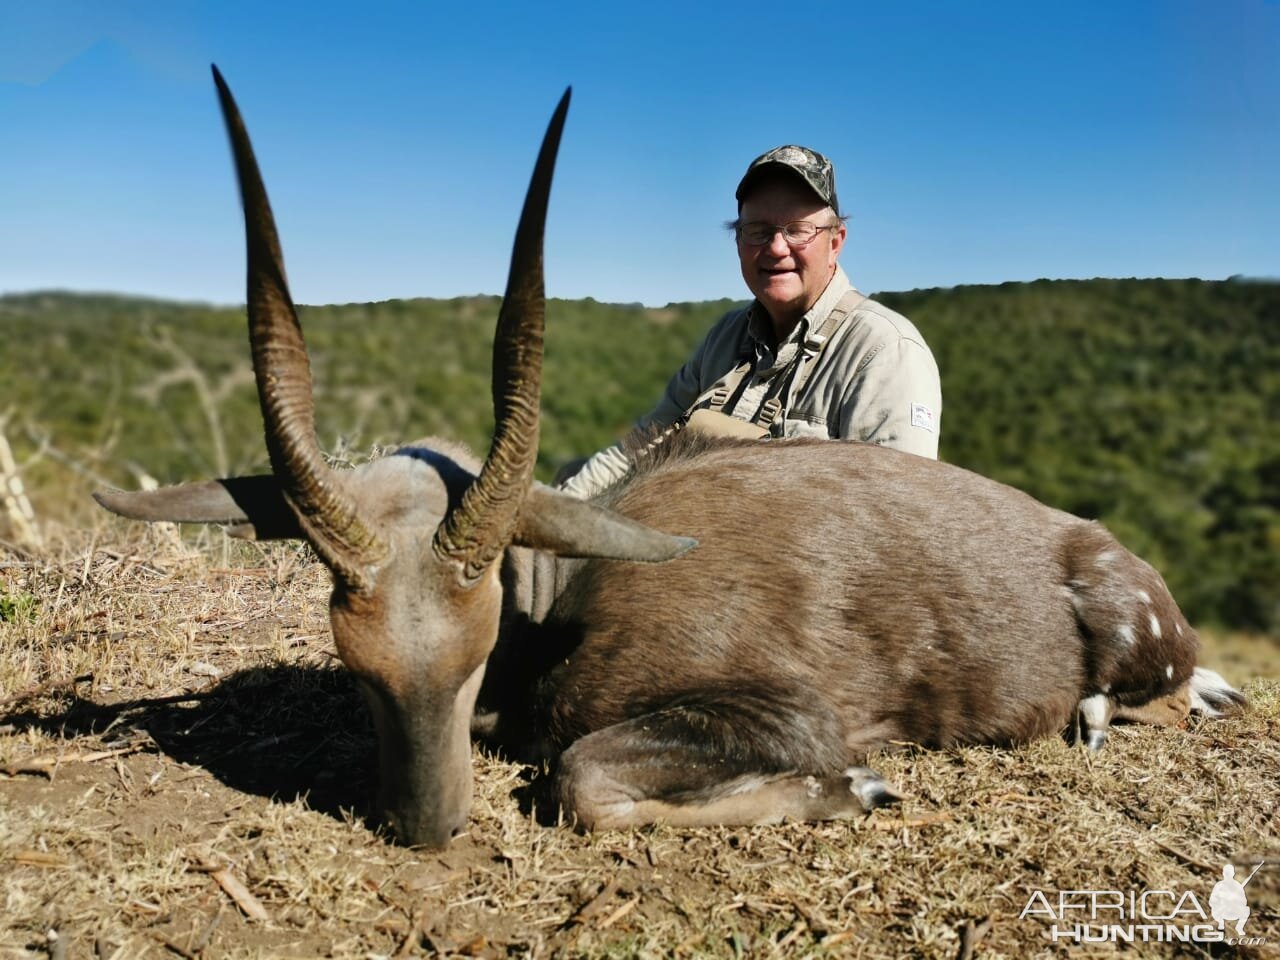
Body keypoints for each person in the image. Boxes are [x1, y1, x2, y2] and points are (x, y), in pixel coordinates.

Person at [560, 144, 941, 498]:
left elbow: (896, 517)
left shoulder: (884, 351)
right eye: (758, 231)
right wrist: (560, 511)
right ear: (738, 241)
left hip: (795, 569)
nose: (776, 248)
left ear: (836, 242)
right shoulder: (725, 337)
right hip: (698, 550)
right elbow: (643, 447)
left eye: (798, 230)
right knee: (568, 478)